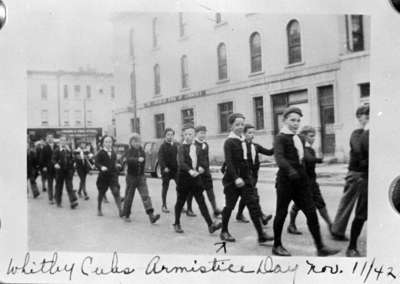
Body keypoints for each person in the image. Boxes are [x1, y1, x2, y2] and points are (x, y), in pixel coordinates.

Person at [272, 106, 339, 256]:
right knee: (281, 213)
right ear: (284, 121)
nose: (296, 123)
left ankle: (320, 247)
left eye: (298, 121)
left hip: (301, 181)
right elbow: (279, 158)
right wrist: (290, 170)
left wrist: (320, 160)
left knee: (311, 212)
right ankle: (277, 245)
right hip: (285, 181)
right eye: (292, 120)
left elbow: (304, 157)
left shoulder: (300, 138)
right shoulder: (280, 138)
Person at [220, 113, 273, 245]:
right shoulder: (229, 142)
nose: (240, 127)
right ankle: (224, 231)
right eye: (237, 124)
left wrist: (248, 176)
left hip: (245, 179)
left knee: (253, 205)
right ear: (231, 126)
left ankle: (261, 235)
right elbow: (229, 162)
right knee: (229, 206)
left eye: (242, 124)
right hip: (232, 181)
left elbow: (246, 160)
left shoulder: (244, 141)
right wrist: (236, 178)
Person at [173, 124, 222, 234]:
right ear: (183, 135)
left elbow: (201, 160)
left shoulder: (197, 147)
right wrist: (190, 171)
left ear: (194, 135)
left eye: (190, 134)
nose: (187, 136)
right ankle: (176, 223)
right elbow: (181, 163)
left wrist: (201, 167)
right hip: (184, 178)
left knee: (201, 201)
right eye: (185, 134)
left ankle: (211, 225)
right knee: (180, 201)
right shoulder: (181, 147)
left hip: (195, 178)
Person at [330, 105, 370, 242]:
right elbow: (359, 150)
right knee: (347, 203)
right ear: (359, 117)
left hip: (364, 174)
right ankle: (337, 231)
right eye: (367, 115)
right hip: (356, 173)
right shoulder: (357, 133)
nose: (370, 118)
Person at [287, 125, 333, 235]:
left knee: (320, 203)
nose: (314, 138)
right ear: (304, 136)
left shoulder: (309, 149)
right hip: (303, 183)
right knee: (298, 205)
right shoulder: (301, 149)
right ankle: (291, 225)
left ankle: (331, 225)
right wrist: (320, 160)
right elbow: (308, 158)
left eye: (314, 136)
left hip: (311, 182)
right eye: (311, 136)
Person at [235, 123, 274, 225]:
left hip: (254, 176)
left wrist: (277, 144)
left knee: (246, 197)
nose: (252, 135)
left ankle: (239, 214)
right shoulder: (240, 146)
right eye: (249, 133)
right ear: (244, 133)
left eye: (253, 133)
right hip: (244, 176)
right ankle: (262, 217)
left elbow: (269, 152)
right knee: (254, 197)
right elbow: (232, 158)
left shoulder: (255, 146)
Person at [121, 133, 161, 224]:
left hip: (141, 177)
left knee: (146, 196)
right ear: (131, 142)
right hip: (131, 177)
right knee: (129, 197)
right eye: (134, 141)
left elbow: (143, 162)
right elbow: (127, 160)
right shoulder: (129, 151)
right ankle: (126, 214)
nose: (136, 143)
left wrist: (143, 175)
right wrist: (136, 160)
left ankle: (151, 216)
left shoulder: (142, 151)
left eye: (138, 141)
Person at [185, 126, 222, 218]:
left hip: (206, 173)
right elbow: (191, 159)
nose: (203, 135)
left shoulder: (205, 144)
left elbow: (206, 159)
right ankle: (189, 209)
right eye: (201, 133)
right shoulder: (193, 145)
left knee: (210, 191)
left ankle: (215, 210)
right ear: (196, 134)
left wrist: (208, 169)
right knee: (192, 192)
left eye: (204, 133)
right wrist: (197, 168)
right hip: (196, 173)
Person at [346, 124, 368, 257]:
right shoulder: (360, 133)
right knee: (361, 213)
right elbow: (358, 150)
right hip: (365, 176)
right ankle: (351, 246)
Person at [95, 135, 123, 217]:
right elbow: (96, 163)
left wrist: (117, 165)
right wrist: (101, 167)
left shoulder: (113, 153)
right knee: (101, 193)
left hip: (112, 176)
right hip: (103, 177)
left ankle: (120, 210)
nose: (108, 143)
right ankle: (99, 208)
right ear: (103, 143)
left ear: (112, 143)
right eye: (106, 142)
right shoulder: (100, 153)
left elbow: (113, 162)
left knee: (116, 192)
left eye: (110, 142)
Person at [52, 136, 79, 209]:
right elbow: (53, 159)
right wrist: (56, 164)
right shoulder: (57, 150)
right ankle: (58, 202)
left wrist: (73, 164)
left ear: (66, 142)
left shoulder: (68, 150)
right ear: (60, 142)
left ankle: (73, 202)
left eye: (65, 141)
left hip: (68, 171)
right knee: (59, 187)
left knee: (70, 187)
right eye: (62, 141)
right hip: (60, 171)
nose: (63, 142)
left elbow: (72, 158)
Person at [158, 128, 179, 213]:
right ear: (165, 136)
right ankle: (164, 205)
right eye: (168, 135)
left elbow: (178, 157)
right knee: (165, 188)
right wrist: (164, 167)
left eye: (171, 135)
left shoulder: (175, 146)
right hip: (166, 170)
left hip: (175, 170)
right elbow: (160, 158)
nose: (170, 137)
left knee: (180, 187)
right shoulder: (162, 146)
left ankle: (179, 205)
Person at [39, 133, 57, 204]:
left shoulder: (57, 147)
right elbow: (41, 158)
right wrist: (43, 166)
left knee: (58, 183)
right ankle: (50, 199)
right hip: (49, 169)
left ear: (53, 138)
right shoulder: (44, 148)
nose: (50, 139)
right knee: (50, 184)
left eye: (51, 137)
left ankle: (56, 196)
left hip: (56, 168)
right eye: (48, 137)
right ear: (47, 139)